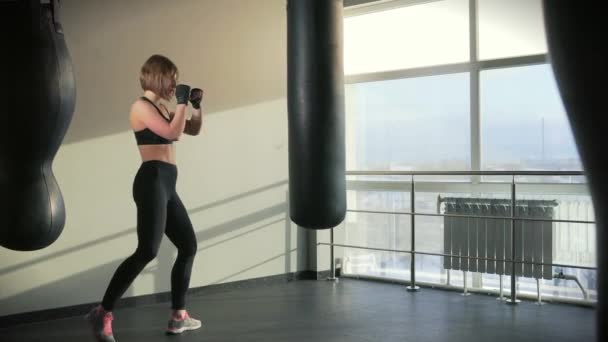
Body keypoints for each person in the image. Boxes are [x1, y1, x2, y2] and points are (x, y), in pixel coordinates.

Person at [85, 54, 204, 341]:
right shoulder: (141, 106)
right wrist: (182, 103)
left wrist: (196, 107)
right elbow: (173, 133)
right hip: (151, 181)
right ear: (158, 77)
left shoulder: (163, 107)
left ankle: (178, 316)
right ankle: (103, 312)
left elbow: (191, 129)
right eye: (171, 78)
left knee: (188, 246)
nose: (174, 84)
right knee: (147, 251)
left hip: (167, 183)